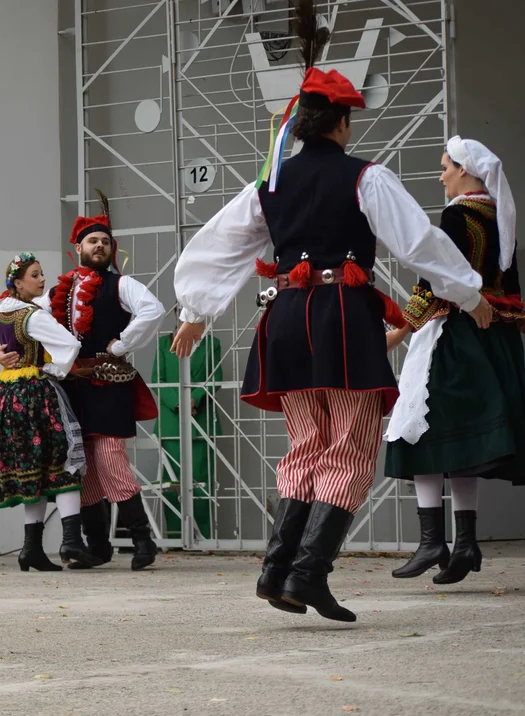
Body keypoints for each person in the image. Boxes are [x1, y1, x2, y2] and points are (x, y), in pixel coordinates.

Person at [170, 1, 490, 622]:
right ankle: (306, 575)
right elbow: (420, 244)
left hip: (287, 319)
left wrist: (197, 309)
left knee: (309, 445)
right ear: (340, 125)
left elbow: (218, 243)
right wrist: (470, 295)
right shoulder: (364, 178)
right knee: (348, 446)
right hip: (340, 317)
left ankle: (277, 572)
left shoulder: (270, 183)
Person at [0, 193, 165, 571]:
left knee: (110, 459)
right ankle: (95, 546)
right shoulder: (56, 291)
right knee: (81, 465)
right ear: (78, 248)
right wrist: (0, 352)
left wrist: (122, 344)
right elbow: (20, 323)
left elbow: (152, 309)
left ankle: (142, 540)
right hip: (71, 389)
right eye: (93, 241)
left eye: (106, 242)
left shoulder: (121, 285)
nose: (100, 246)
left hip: (108, 384)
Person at [385, 137, 525, 584]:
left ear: (465, 171)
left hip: (455, 336)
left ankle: (432, 542)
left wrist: (403, 327)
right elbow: (509, 285)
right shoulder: (499, 217)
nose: (441, 174)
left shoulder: (457, 214)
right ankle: (465, 543)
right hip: (493, 339)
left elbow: (437, 276)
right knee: (464, 444)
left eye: (445, 166)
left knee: (422, 433)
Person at [0, 253, 102, 571]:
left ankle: (30, 549)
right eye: (35, 275)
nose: (41, 280)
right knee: (65, 464)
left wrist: (1, 357)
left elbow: (0, 349)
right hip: (37, 394)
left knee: (34, 470)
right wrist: (51, 367)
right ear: (18, 283)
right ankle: (71, 541)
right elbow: (70, 345)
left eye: (41, 274)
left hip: (7, 397)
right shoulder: (33, 316)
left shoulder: (2, 315)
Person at [153, 306, 221, 540]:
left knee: (201, 480)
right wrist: (179, 402)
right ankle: (174, 537)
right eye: (181, 310)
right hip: (171, 422)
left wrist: (195, 399)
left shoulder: (212, 343)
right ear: (175, 314)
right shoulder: (164, 344)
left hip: (201, 419)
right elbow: (157, 379)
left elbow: (216, 379)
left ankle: (202, 538)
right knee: (172, 481)